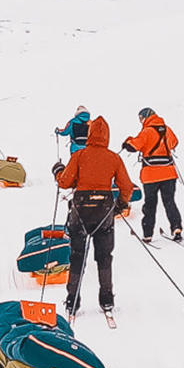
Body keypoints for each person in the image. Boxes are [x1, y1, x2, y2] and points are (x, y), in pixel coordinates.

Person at [53, 114, 133, 325]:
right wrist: (121, 204)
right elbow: (127, 187)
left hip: (80, 211)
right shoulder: (114, 158)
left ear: (90, 134)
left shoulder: (80, 155)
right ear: (107, 135)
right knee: (105, 257)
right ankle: (106, 300)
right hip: (104, 212)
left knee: (77, 257)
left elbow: (65, 182)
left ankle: (72, 301)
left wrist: (58, 171)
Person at [122, 108, 184, 241]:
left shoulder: (147, 131)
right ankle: (176, 228)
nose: (140, 121)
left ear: (146, 116)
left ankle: (147, 234)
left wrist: (127, 142)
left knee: (150, 204)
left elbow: (133, 146)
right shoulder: (166, 129)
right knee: (169, 202)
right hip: (168, 172)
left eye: (141, 118)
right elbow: (174, 143)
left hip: (151, 174)